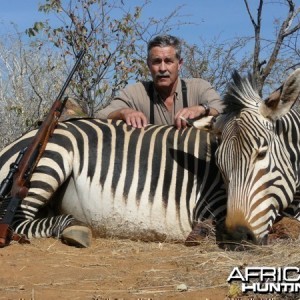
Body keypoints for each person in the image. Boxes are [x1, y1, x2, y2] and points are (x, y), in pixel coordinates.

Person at [97, 34, 224, 129]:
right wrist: (123, 112)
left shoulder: (199, 87)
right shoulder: (135, 92)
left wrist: (202, 109)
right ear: (148, 64)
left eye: (168, 61)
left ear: (179, 64)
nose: (162, 68)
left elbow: (224, 109)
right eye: (157, 61)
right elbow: (100, 116)